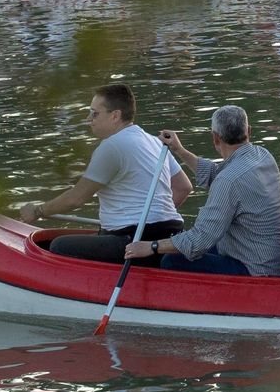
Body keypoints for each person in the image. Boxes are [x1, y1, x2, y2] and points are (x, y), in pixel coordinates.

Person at [20, 83, 192, 264]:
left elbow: (75, 199)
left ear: (115, 116)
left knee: (57, 246)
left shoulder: (112, 146)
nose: (89, 118)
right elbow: (183, 188)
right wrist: (154, 221)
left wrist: (38, 211)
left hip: (133, 242)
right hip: (172, 236)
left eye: (95, 113)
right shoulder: (154, 142)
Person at [121, 106, 280, 277]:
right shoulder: (263, 156)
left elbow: (199, 240)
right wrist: (179, 150)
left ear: (215, 138)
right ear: (249, 131)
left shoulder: (228, 181)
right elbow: (219, 175)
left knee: (171, 260)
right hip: (278, 260)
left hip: (257, 270)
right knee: (188, 244)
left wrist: (152, 246)